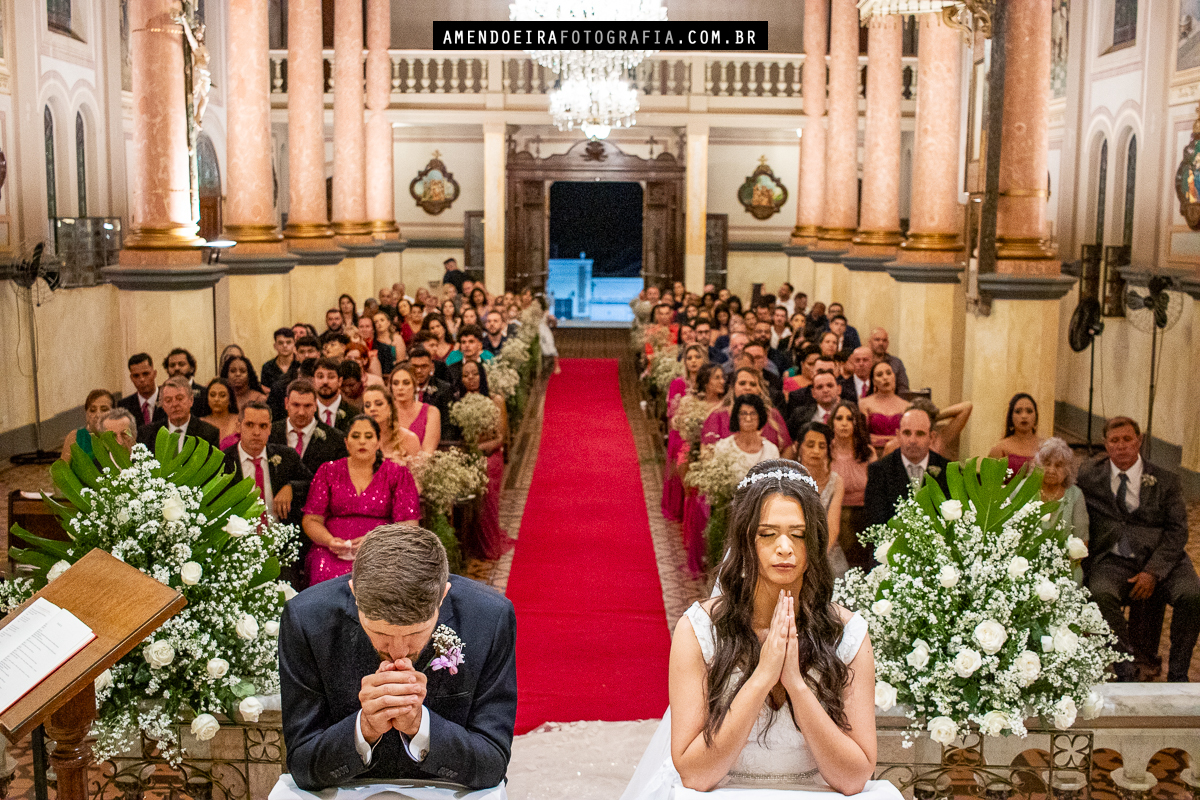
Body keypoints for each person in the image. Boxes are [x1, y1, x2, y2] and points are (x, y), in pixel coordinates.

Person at [623, 460, 898, 800]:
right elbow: (694, 775)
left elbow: (854, 779)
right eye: (768, 534)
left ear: (813, 545)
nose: (784, 547)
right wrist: (762, 678)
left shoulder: (848, 633)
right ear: (745, 542)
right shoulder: (698, 630)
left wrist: (796, 685)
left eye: (798, 535)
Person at [279, 524, 517, 791]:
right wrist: (364, 729)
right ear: (355, 593)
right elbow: (302, 764)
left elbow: (492, 763)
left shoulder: (489, 618)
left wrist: (421, 727)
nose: (398, 652)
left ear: (443, 597)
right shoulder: (306, 619)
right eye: (381, 633)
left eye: (415, 633)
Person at [1080, 416, 1200, 683]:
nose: (1121, 446)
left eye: (1127, 439)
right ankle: (1125, 664)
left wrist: (1153, 572)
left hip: (1164, 558)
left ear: (1139, 440)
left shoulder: (1165, 480)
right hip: (1116, 558)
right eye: (1114, 441)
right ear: (1105, 444)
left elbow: (1178, 530)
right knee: (1100, 591)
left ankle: (1179, 673)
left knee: (1192, 594)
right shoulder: (1089, 475)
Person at [300, 415, 420, 584]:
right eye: (355, 436)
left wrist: (374, 541)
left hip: (383, 550)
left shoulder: (397, 473)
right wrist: (329, 541)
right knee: (322, 569)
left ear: (378, 442)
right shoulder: (328, 471)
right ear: (346, 442)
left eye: (368, 436)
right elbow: (311, 519)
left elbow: (409, 525)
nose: (362, 441)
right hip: (333, 551)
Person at [222, 401, 313, 586]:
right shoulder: (223, 461)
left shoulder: (286, 457)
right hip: (237, 548)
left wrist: (291, 488)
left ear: (270, 428)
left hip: (280, 547)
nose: (257, 432)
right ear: (239, 426)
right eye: (250, 425)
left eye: (263, 426)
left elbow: (312, 483)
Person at [456, 360, 514, 561]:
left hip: (490, 456)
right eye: (465, 375)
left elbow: (499, 438)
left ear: (482, 375)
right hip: (467, 456)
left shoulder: (495, 400)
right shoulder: (458, 403)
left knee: (486, 481)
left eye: (474, 374)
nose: (470, 378)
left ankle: (488, 545)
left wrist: (477, 449)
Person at [863, 406, 950, 527]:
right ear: (898, 435)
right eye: (907, 433)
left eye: (920, 434)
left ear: (932, 437)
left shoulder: (948, 470)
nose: (912, 440)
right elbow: (875, 521)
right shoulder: (880, 470)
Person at [702, 367, 794, 458]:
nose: (747, 388)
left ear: (760, 389)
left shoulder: (773, 415)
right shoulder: (717, 416)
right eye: (742, 383)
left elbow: (787, 452)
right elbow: (706, 454)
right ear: (733, 388)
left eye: (753, 384)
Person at [1034, 437, 1090, 585]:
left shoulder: (1075, 495)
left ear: (1068, 470)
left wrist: (1057, 568)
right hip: (1028, 566)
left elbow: (1082, 543)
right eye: (1046, 464)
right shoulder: (1024, 490)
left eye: (1058, 465)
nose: (1051, 470)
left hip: (1064, 571)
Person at [829, 401, 877, 570]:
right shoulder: (825, 451)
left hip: (862, 517)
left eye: (849, 419)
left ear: (856, 423)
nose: (844, 423)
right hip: (832, 515)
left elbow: (874, 492)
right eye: (839, 418)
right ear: (832, 422)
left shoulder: (868, 452)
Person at [664, 344, 709, 522]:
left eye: (697, 357)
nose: (693, 361)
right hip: (682, 433)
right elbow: (673, 415)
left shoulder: (708, 383)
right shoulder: (678, 383)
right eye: (689, 358)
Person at [797, 422, 846, 578]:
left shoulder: (836, 481)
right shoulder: (787, 478)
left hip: (826, 551)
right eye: (810, 445)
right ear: (799, 447)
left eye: (822, 446)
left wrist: (815, 563)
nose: (816, 451)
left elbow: (832, 528)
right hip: (793, 548)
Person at [270, 378, 349, 474]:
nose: (301, 412)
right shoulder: (270, 433)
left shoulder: (335, 439)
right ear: (286, 403)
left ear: (316, 405)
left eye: (307, 406)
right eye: (296, 405)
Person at [137, 376, 220, 451]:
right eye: (168, 400)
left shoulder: (208, 433)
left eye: (179, 399)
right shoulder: (147, 434)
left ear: (191, 400)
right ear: (162, 405)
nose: (174, 404)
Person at [714, 395, 781, 481]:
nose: (748, 419)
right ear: (737, 417)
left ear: (760, 416)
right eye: (743, 413)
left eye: (753, 413)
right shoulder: (723, 447)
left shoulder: (771, 450)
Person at [361, 385, 421, 463]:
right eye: (367, 405)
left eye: (378, 404)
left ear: (390, 407)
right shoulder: (360, 440)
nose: (372, 409)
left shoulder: (409, 439)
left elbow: (418, 473)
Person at [858, 361, 909, 452]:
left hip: (899, 454)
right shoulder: (864, 404)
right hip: (872, 453)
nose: (885, 378)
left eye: (888, 373)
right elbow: (862, 436)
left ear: (894, 377)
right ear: (873, 381)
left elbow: (908, 436)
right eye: (879, 375)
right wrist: (894, 439)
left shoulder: (906, 405)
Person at [987, 393, 1043, 476]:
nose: (1024, 416)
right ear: (1011, 417)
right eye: (1018, 412)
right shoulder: (1000, 449)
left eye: (1029, 411)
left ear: (1036, 417)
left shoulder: (1046, 447)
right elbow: (989, 483)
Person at [391, 364, 441, 453]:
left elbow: (427, 453)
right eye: (395, 383)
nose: (400, 388)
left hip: (418, 465)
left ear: (415, 385)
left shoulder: (431, 412)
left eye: (406, 383)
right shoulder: (384, 411)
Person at [408, 346, 454, 440]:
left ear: (432, 367)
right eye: (415, 366)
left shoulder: (444, 390)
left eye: (424, 366)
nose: (419, 371)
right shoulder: (401, 389)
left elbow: (447, 426)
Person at [785, 370, 844, 442]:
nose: (825, 390)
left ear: (839, 389)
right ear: (813, 393)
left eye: (830, 386)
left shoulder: (851, 413)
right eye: (820, 387)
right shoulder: (799, 415)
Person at [62, 389, 116, 461]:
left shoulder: (121, 437)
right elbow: (62, 470)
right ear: (86, 414)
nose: (98, 415)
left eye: (104, 410)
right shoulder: (74, 438)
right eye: (93, 410)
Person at [118, 353, 166, 430]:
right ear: (131, 378)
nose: (141, 379)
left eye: (146, 374)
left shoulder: (169, 400)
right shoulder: (124, 406)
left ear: (154, 373)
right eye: (136, 376)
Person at [314, 357, 359, 433]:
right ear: (313, 380)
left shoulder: (354, 414)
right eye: (320, 377)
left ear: (340, 381)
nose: (325, 381)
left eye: (331, 377)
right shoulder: (307, 412)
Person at [162, 347, 210, 417]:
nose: (177, 368)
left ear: (191, 368)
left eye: (181, 364)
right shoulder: (162, 395)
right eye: (172, 365)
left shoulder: (205, 394)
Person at [200, 377, 240, 448]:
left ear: (230, 398)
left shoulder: (239, 421)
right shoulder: (200, 424)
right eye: (212, 395)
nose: (216, 399)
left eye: (222, 395)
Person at [866, 329, 909, 394]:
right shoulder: (862, 361)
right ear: (870, 342)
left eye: (884, 340)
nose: (881, 343)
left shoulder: (896, 363)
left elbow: (903, 389)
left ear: (888, 343)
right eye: (877, 340)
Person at [262, 328, 298, 394]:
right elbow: (265, 390)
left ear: (294, 344)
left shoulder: (300, 365)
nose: (285, 346)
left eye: (288, 342)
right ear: (275, 346)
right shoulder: (267, 367)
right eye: (280, 343)